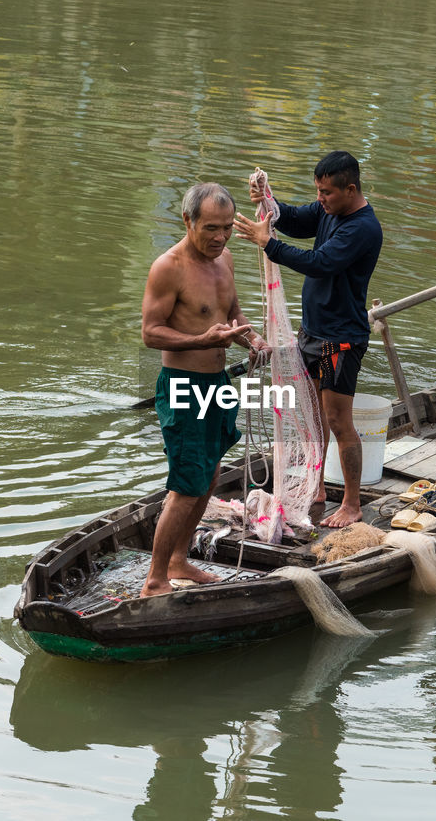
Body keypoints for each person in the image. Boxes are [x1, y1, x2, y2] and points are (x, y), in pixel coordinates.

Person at [232, 151, 383, 528]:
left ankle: (351, 503)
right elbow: (297, 219)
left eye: (327, 192)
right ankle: (316, 486)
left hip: (339, 339)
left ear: (351, 189)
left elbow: (321, 262)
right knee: (313, 415)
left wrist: (268, 243)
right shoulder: (329, 211)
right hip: (312, 332)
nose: (320, 199)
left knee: (337, 419)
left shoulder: (362, 227)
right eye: (317, 191)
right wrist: (269, 201)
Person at [140, 182, 270, 597]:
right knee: (186, 485)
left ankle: (179, 560)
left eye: (228, 227)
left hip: (217, 383)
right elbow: (150, 333)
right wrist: (200, 341)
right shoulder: (168, 267)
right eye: (211, 228)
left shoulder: (225, 258)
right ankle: (155, 580)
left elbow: (230, 313)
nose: (220, 237)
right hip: (183, 384)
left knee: (210, 475)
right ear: (188, 220)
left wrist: (254, 342)